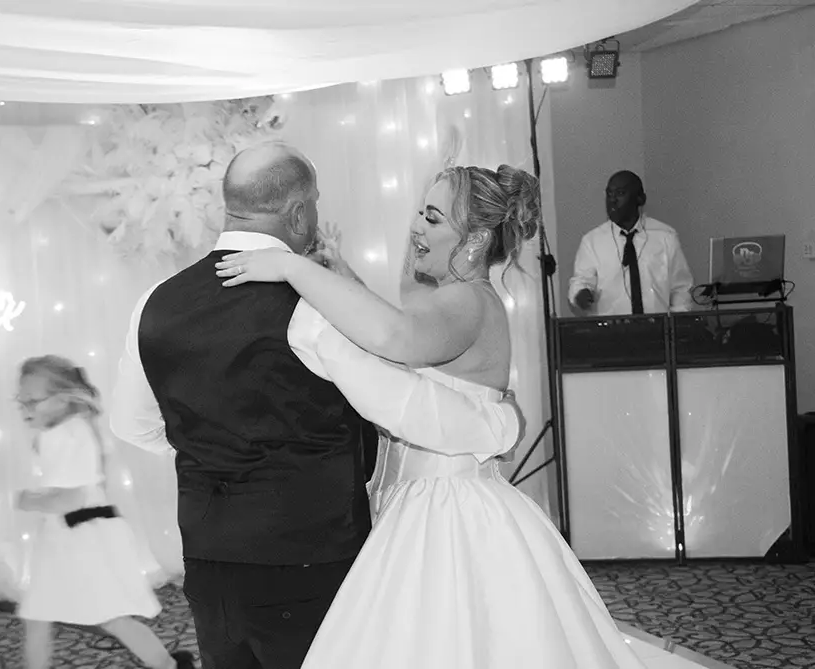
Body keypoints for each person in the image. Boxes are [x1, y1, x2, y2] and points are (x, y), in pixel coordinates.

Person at [215, 163, 649, 668]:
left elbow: (395, 336)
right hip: (423, 501)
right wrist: (342, 273)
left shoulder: (468, 300)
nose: (417, 227)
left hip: (446, 514)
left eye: (434, 218)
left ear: (476, 239)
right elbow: (401, 330)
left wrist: (294, 269)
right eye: (421, 213)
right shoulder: (449, 298)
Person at [110, 142, 523, 669]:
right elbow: (402, 405)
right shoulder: (313, 307)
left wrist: (213, 453)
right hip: (308, 560)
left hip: (208, 561)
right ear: (298, 213)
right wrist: (501, 423)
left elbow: (130, 425)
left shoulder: (153, 302)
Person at [13, 355, 194, 669]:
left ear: (62, 399)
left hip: (84, 541)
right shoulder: (56, 434)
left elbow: (69, 499)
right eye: (20, 400)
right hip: (63, 538)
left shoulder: (72, 435)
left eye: (32, 400)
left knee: (111, 616)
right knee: (38, 614)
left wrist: (29, 500)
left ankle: (168, 665)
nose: (24, 407)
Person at [569, 170, 693, 316]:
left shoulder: (665, 237)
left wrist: (676, 323)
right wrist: (580, 294)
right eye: (609, 194)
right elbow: (581, 281)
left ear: (640, 199)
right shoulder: (592, 241)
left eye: (620, 193)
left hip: (657, 326)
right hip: (611, 328)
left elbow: (680, 288)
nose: (612, 200)